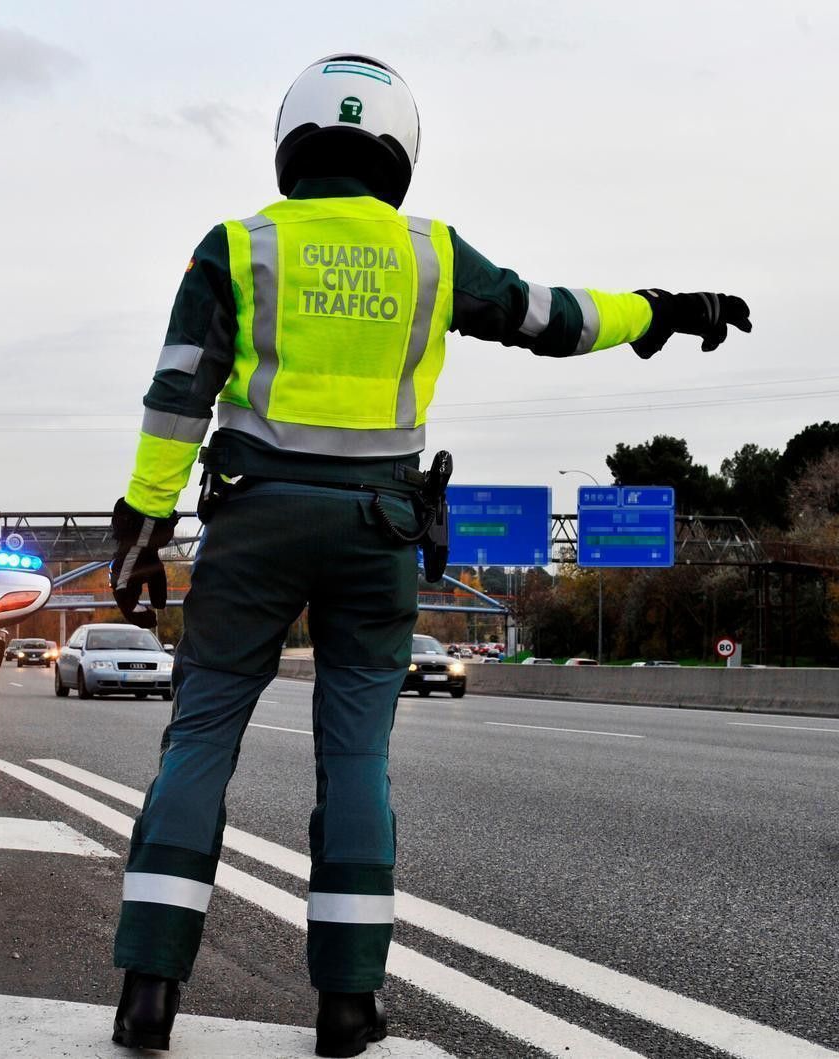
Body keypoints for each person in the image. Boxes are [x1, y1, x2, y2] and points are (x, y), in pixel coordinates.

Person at [105, 54, 750, 1057]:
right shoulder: (430, 253)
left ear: (290, 141)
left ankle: (148, 992)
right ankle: (348, 1005)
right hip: (377, 534)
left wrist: (141, 529)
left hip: (253, 525)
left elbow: (178, 393)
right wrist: (659, 310)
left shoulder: (236, 245)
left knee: (198, 742)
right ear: (397, 149)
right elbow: (550, 316)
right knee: (354, 760)